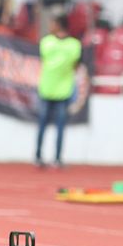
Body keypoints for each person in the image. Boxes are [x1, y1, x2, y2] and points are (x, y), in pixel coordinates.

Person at [35, 14, 81, 168]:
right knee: (57, 125)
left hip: (53, 88)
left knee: (46, 124)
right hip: (58, 89)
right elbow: (75, 65)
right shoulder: (74, 45)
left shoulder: (47, 42)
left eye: (52, 23)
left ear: (58, 25)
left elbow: (44, 60)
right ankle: (55, 158)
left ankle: (40, 156)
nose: (50, 26)